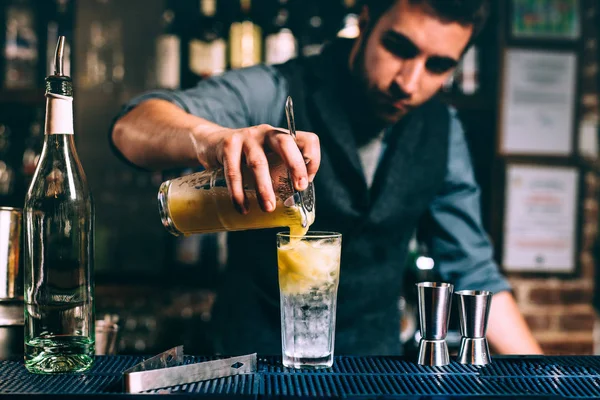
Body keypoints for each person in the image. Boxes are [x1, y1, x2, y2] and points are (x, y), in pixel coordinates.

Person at [111, 0, 542, 355]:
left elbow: (472, 270)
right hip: (251, 366)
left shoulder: (443, 130)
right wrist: (210, 138)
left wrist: (547, 379)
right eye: (399, 48)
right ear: (366, 21)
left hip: (376, 372)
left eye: (438, 65)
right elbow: (131, 127)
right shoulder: (277, 88)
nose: (409, 83)